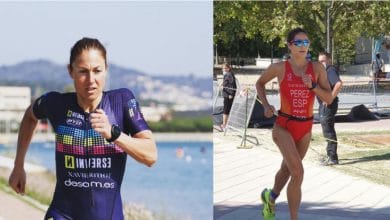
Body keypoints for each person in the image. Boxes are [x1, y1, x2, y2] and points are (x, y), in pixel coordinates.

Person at [8, 37, 158, 220]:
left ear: (106, 70)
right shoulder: (57, 104)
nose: (91, 80)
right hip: (62, 214)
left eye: (97, 71)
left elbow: (150, 156)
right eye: (83, 72)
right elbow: (30, 116)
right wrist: (18, 166)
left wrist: (114, 134)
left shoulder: (122, 101)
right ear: (70, 71)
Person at [256, 28, 333, 220]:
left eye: (306, 42)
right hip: (284, 125)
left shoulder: (316, 68)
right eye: (298, 42)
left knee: (287, 169)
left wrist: (313, 86)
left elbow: (329, 98)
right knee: (298, 172)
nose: (303, 46)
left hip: (305, 128)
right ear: (290, 45)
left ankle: (270, 197)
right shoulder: (280, 67)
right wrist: (266, 105)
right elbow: (259, 83)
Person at [318, 52, 343, 165]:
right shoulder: (324, 71)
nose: (321, 63)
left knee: (328, 130)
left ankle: (332, 158)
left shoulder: (330, 70)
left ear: (329, 60)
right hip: (324, 105)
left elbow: (338, 84)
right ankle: (330, 155)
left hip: (328, 105)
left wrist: (330, 98)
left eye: (323, 61)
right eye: (319, 61)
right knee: (327, 129)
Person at [221, 63, 237, 130]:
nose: (224, 69)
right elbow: (226, 83)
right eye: (223, 68)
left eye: (225, 68)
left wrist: (231, 94)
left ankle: (224, 125)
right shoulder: (229, 74)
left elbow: (232, 85)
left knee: (226, 110)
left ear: (228, 68)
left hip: (228, 95)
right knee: (227, 110)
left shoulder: (229, 74)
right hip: (227, 94)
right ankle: (225, 124)